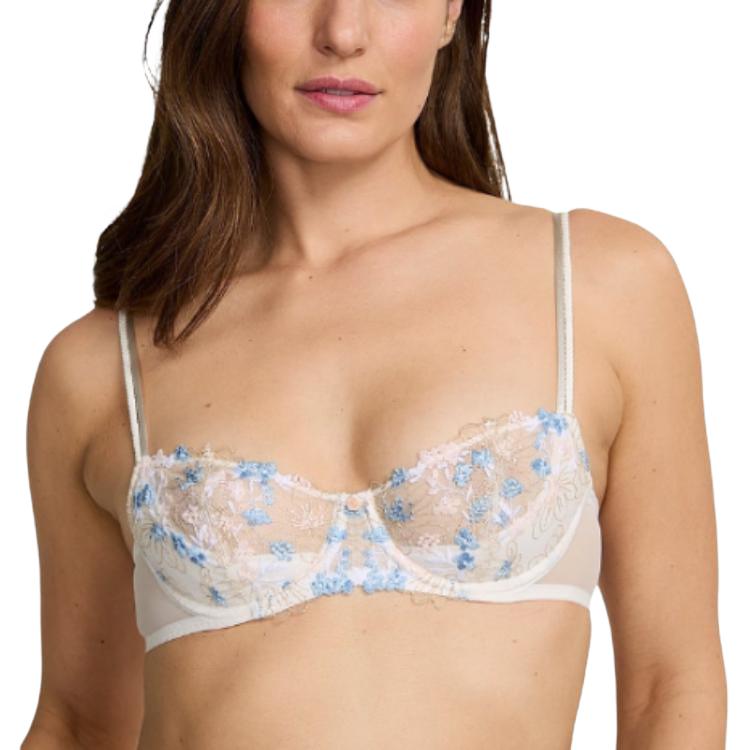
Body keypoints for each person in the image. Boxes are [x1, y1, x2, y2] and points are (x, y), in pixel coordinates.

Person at [22, 0, 727, 748]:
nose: (343, 33)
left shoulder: (599, 286)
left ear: (453, 13)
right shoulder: (100, 370)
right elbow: (78, 726)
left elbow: (671, 686)